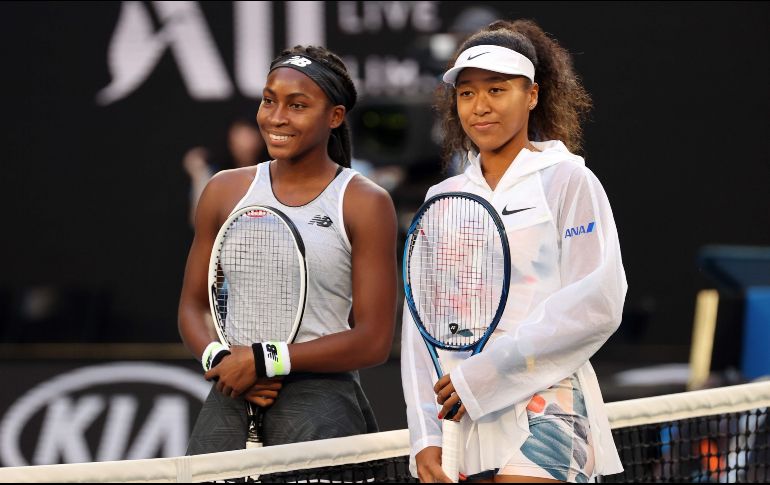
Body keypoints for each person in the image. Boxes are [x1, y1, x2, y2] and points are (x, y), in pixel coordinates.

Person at [401, 19, 627, 483]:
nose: (479, 107)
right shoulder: (440, 200)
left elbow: (599, 304)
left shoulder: (569, 180)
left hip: (548, 400)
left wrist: (486, 375)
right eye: (466, 93)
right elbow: (419, 325)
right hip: (458, 412)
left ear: (533, 95)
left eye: (496, 90)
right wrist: (424, 433)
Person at [178, 45, 398, 453]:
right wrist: (218, 360)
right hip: (232, 389)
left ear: (334, 117)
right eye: (269, 100)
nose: (276, 117)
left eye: (297, 105)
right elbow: (193, 307)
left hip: (320, 400)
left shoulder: (364, 202)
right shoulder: (224, 190)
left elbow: (373, 340)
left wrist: (263, 361)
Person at [182, 118, 268, 227]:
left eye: (249, 135)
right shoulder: (216, 176)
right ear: (231, 140)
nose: (244, 142)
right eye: (239, 135)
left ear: (259, 140)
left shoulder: (270, 175)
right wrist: (199, 175)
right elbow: (197, 220)